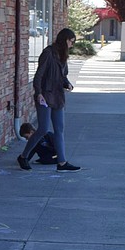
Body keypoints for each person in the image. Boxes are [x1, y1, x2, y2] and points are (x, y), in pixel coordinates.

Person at [18, 27, 80, 172]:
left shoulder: (63, 55)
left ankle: (62, 163)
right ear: (65, 40)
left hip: (58, 96)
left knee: (59, 129)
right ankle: (23, 156)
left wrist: (67, 83)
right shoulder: (48, 53)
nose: (72, 44)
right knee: (43, 128)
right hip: (45, 95)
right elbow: (38, 76)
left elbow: (62, 75)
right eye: (71, 41)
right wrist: (38, 93)